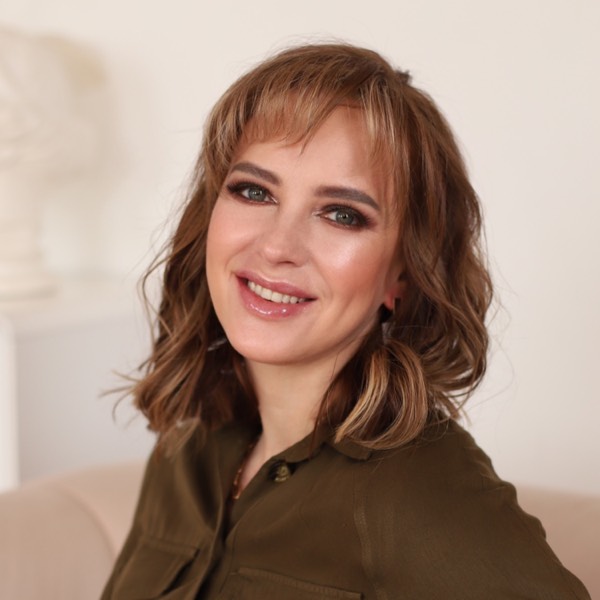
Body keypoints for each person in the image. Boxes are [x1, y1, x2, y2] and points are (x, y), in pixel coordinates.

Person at [101, 43, 590, 599]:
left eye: (342, 215)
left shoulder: (419, 494)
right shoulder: (184, 452)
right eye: (254, 191)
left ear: (404, 275)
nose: (277, 247)